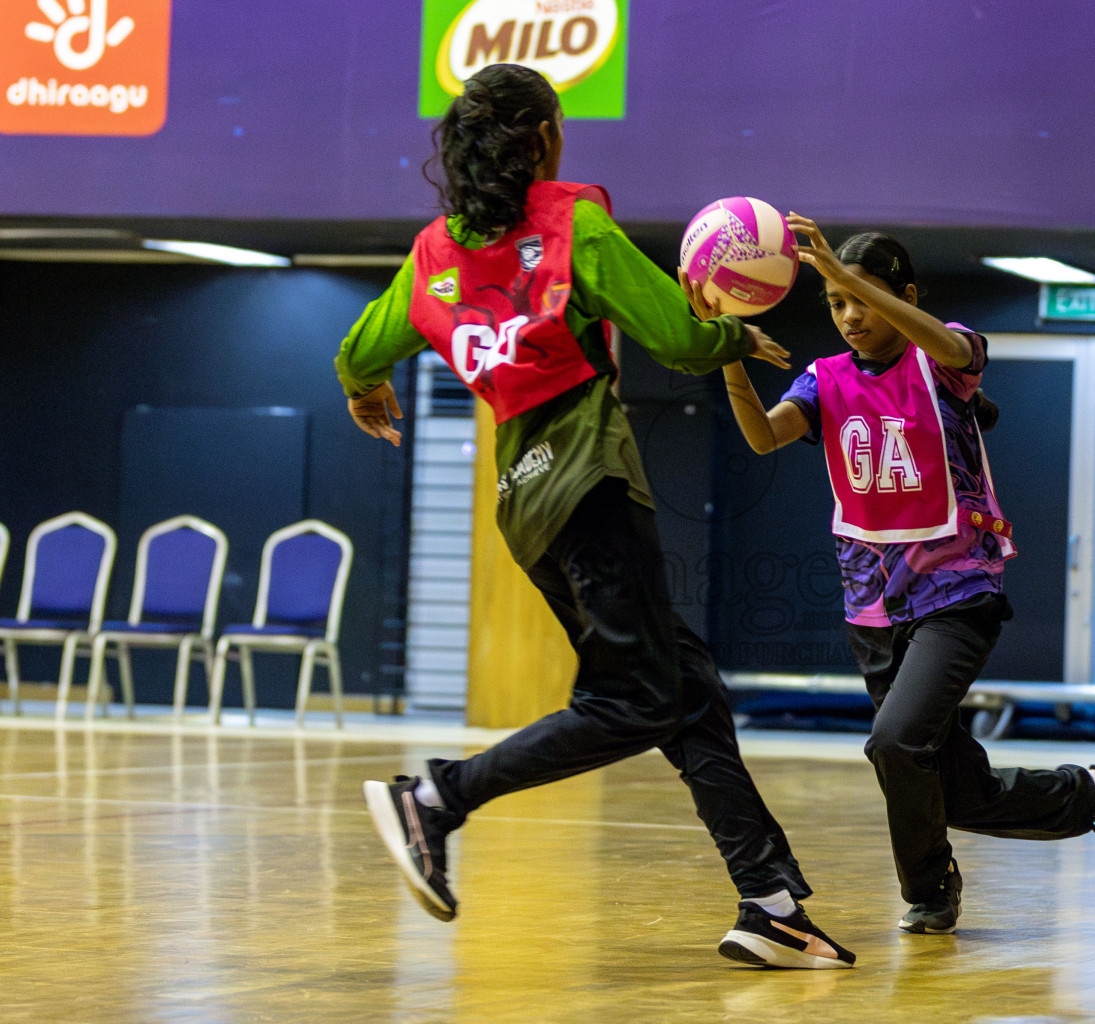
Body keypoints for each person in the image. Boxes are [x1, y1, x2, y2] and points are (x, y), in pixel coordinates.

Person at [338, 64, 854, 970]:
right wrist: (733, 332)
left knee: (687, 691)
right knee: (636, 701)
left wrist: (365, 389)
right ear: (542, 138)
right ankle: (437, 799)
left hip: (525, 510)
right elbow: (681, 340)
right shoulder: (572, 222)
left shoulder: (433, 255)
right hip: (590, 486)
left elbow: (359, 349)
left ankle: (770, 903)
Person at [690, 217, 1095, 935]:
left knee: (894, 741)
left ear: (905, 296)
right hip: (872, 605)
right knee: (951, 788)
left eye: (862, 299)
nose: (849, 315)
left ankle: (929, 888)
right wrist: (727, 352)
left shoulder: (944, 360)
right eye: (836, 303)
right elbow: (761, 436)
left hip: (957, 589)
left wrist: (838, 271)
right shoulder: (825, 378)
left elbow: (951, 345)